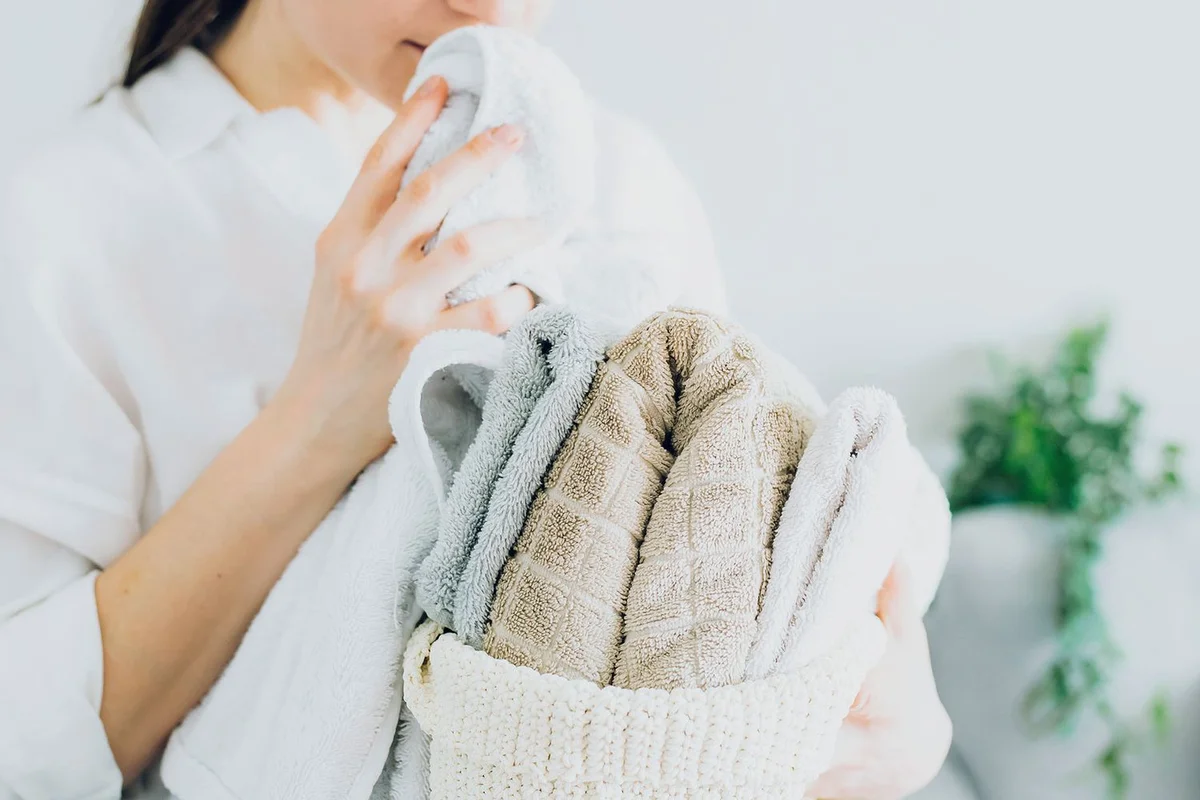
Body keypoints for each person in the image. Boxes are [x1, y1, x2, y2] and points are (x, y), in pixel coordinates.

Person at [0, 1, 949, 797]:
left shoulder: (620, 183)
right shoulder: (65, 226)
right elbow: (25, 751)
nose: (491, 9)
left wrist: (890, 732)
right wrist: (318, 421)